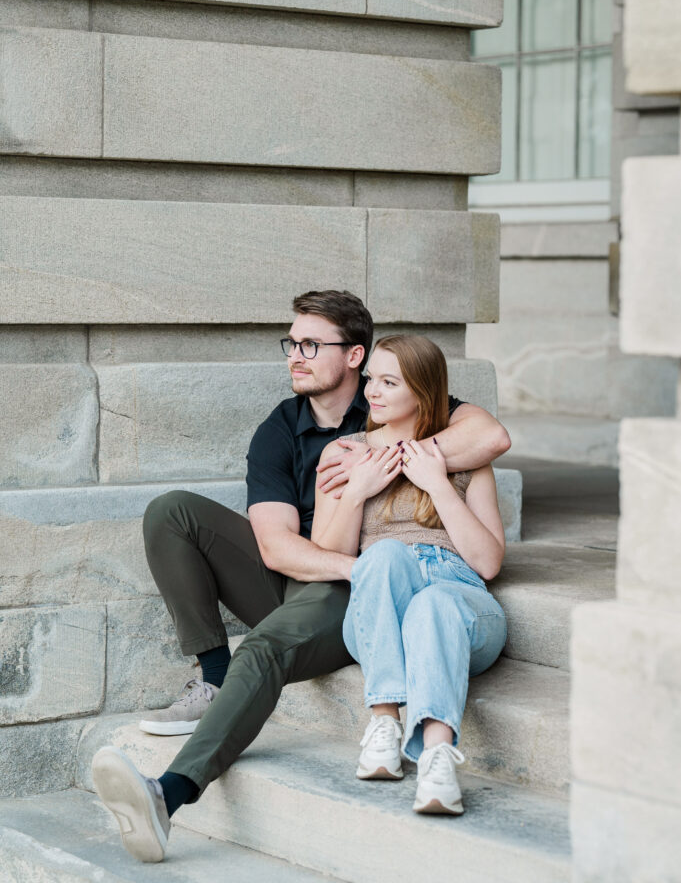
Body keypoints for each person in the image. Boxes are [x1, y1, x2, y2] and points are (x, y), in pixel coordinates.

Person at [91, 291, 511, 862]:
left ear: (356, 355)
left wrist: (408, 461)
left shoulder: (397, 414)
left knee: (273, 645)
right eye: (292, 343)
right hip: (334, 567)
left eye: (311, 344)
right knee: (174, 511)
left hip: (379, 585)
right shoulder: (291, 432)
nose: (295, 355)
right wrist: (361, 550)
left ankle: (170, 793)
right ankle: (213, 679)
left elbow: (487, 440)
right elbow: (280, 545)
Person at [311, 334, 506, 816]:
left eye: (388, 382)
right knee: (382, 557)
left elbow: (487, 563)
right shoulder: (345, 453)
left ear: (422, 390)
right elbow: (327, 553)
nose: (371, 392)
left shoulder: (459, 458)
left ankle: (437, 760)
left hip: (460, 598)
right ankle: (385, 723)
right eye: (371, 379)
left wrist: (437, 483)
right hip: (381, 606)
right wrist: (357, 492)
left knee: (433, 605)